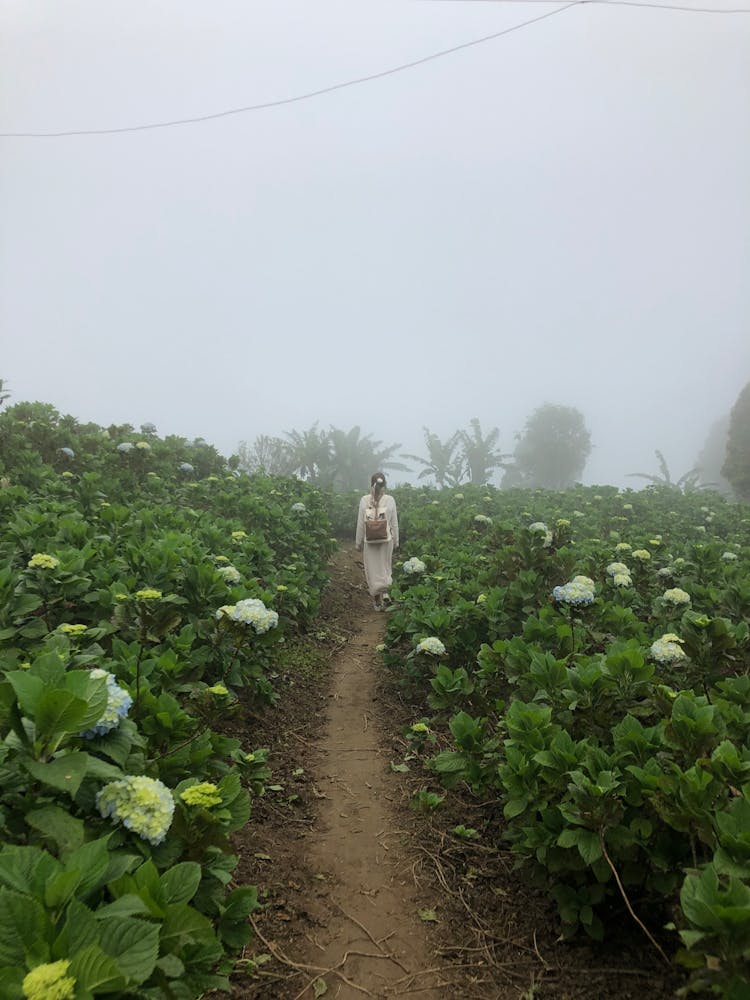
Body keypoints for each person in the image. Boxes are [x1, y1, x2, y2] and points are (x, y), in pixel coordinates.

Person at [355, 472, 399, 610]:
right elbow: (394, 523)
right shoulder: (390, 500)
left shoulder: (364, 500)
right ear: (384, 484)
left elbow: (361, 523)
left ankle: (377, 602)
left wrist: (358, 542)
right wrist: (396, 540)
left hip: (370, 540)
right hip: (386, 539)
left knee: (372, 569)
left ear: (371, 484)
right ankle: (385, 592)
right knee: (385, 567)